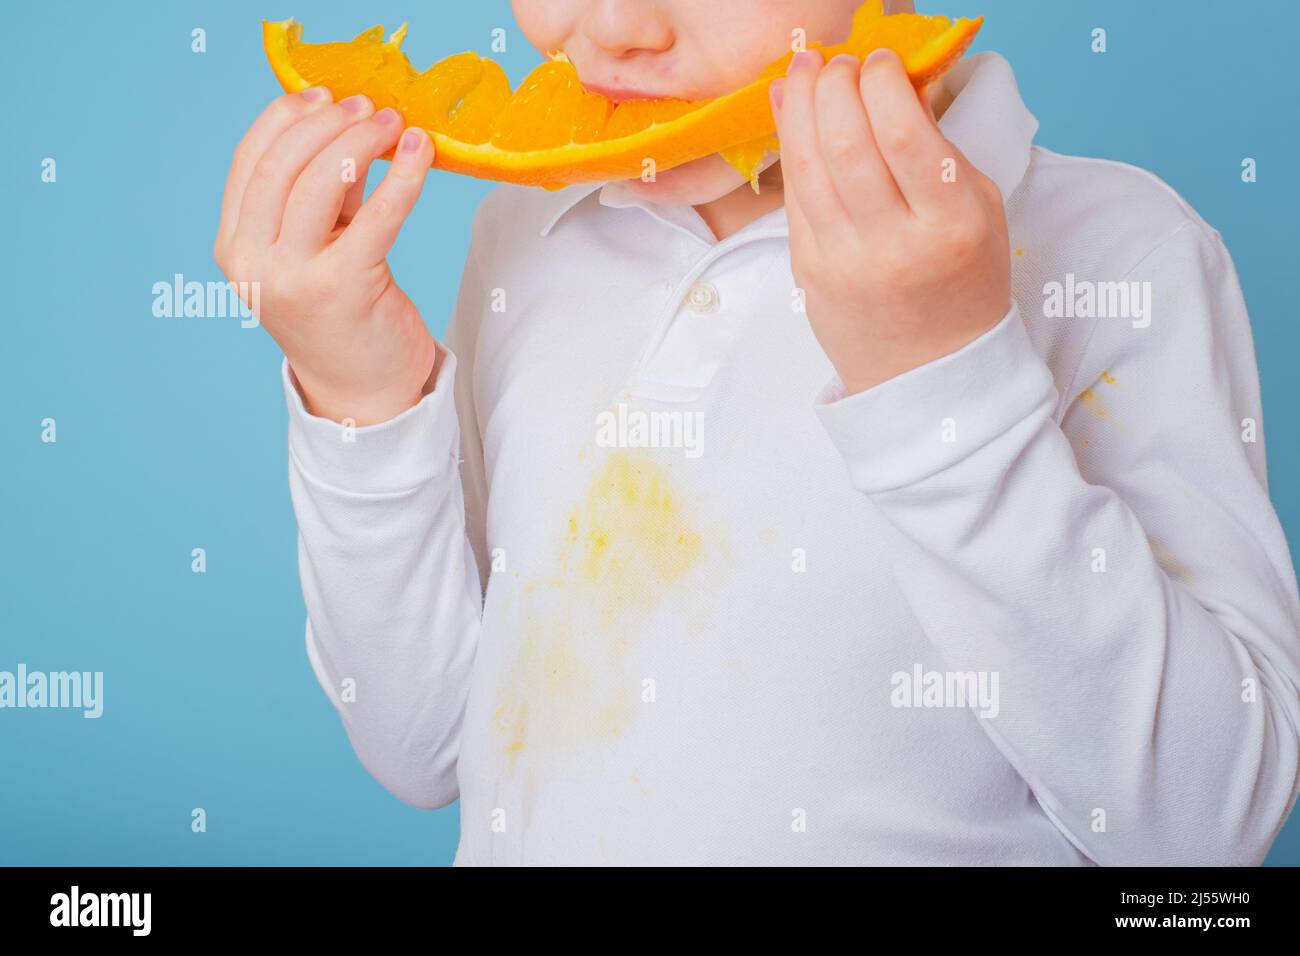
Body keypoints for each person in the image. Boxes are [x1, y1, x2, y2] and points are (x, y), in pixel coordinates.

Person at [213, 0, 1300, 864]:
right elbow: (423, 744)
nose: (609, 27)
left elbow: (1203, 830)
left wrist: (940, 372)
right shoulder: (524, 236)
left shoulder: (1119, 253)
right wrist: (359, 388)